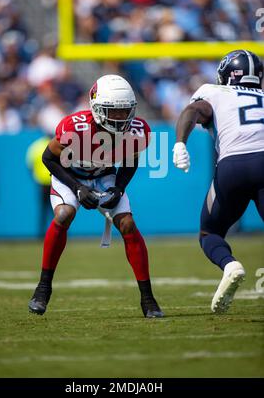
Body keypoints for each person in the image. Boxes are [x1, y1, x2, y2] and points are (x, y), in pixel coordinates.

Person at [28, 74, 164, 318]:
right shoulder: (75, 127)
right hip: (69, 174)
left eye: (125, 111)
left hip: (104, 175)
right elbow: (48, 158)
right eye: (114, 111)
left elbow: (131, 162)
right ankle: (43, 288)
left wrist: (119, 188)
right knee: (64, 215)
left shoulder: (138, 130)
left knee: (128, 223)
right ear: (98, 109)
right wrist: (78, 188)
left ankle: (148, 299)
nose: (121, 117)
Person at [173, 50, 264, 313]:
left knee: (209, 232)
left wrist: (180, 143)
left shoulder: (214, 92)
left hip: (233, 166)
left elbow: (193, 111)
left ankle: (230, 264)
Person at [26, 135, 53, 238]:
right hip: (54, 182)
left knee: (43, 210)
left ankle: (41, 234)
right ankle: (57, 234)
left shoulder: (36, 146)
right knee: (57, 210)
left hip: (41, 183)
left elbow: (30, 165)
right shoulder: (54, 144)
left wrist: (35, 177)